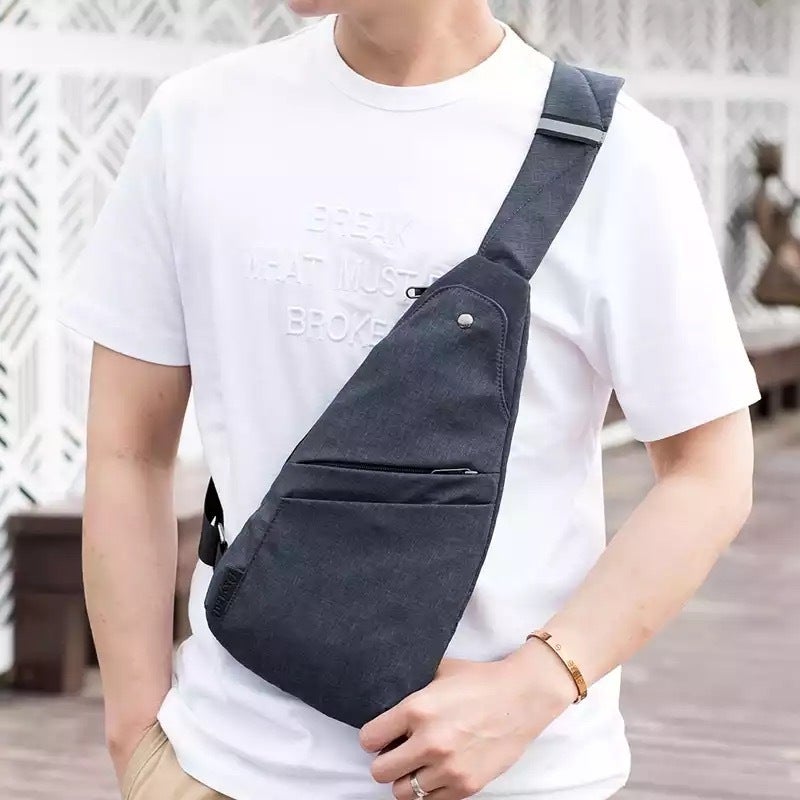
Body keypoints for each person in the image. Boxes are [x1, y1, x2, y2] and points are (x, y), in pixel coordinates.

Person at [58, 1, 760, 799]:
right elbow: (128, 448)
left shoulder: (616, 154)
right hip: (222, 764)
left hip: (515, 779)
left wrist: (536, 683)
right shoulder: (198, 120)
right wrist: (135, 737)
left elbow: (709, 470)